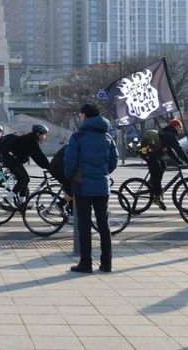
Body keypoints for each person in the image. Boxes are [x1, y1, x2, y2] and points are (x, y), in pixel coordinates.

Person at [65, 104, 118, 274]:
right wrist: (102, 174)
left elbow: (70, 163)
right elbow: (113, 162)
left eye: (81, 115)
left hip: (82, 186)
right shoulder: (107, 136)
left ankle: (86, 263)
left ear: (85, 116)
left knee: (84, 225)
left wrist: (70, 177)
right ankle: (107, 263)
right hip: (102, 186)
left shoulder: (78, 137)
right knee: (104, 224)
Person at [144, 119, 188, 211]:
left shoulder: (167, 133)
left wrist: (178, 161)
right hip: (148, 152)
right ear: (177, 127)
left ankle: (152, 182)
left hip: (151, 153)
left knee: (163, 164)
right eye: (180, 128)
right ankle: (157, 197)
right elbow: (179, 149)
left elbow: (170, 151)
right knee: (157, 170)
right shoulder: (170, 135)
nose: (181, 130)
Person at [0, 124, 51, 208]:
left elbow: (36, 157)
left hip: (12, 159)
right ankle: (8, 197)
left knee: (24, 180)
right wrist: (50, 167)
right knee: (25, 179)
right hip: (10, 160)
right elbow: (39, 155)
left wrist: (46, 166)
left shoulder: (30, 139)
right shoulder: (31, 140)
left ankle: (22, 202)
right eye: (44, 134)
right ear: (38, 134)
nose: (44, 137)